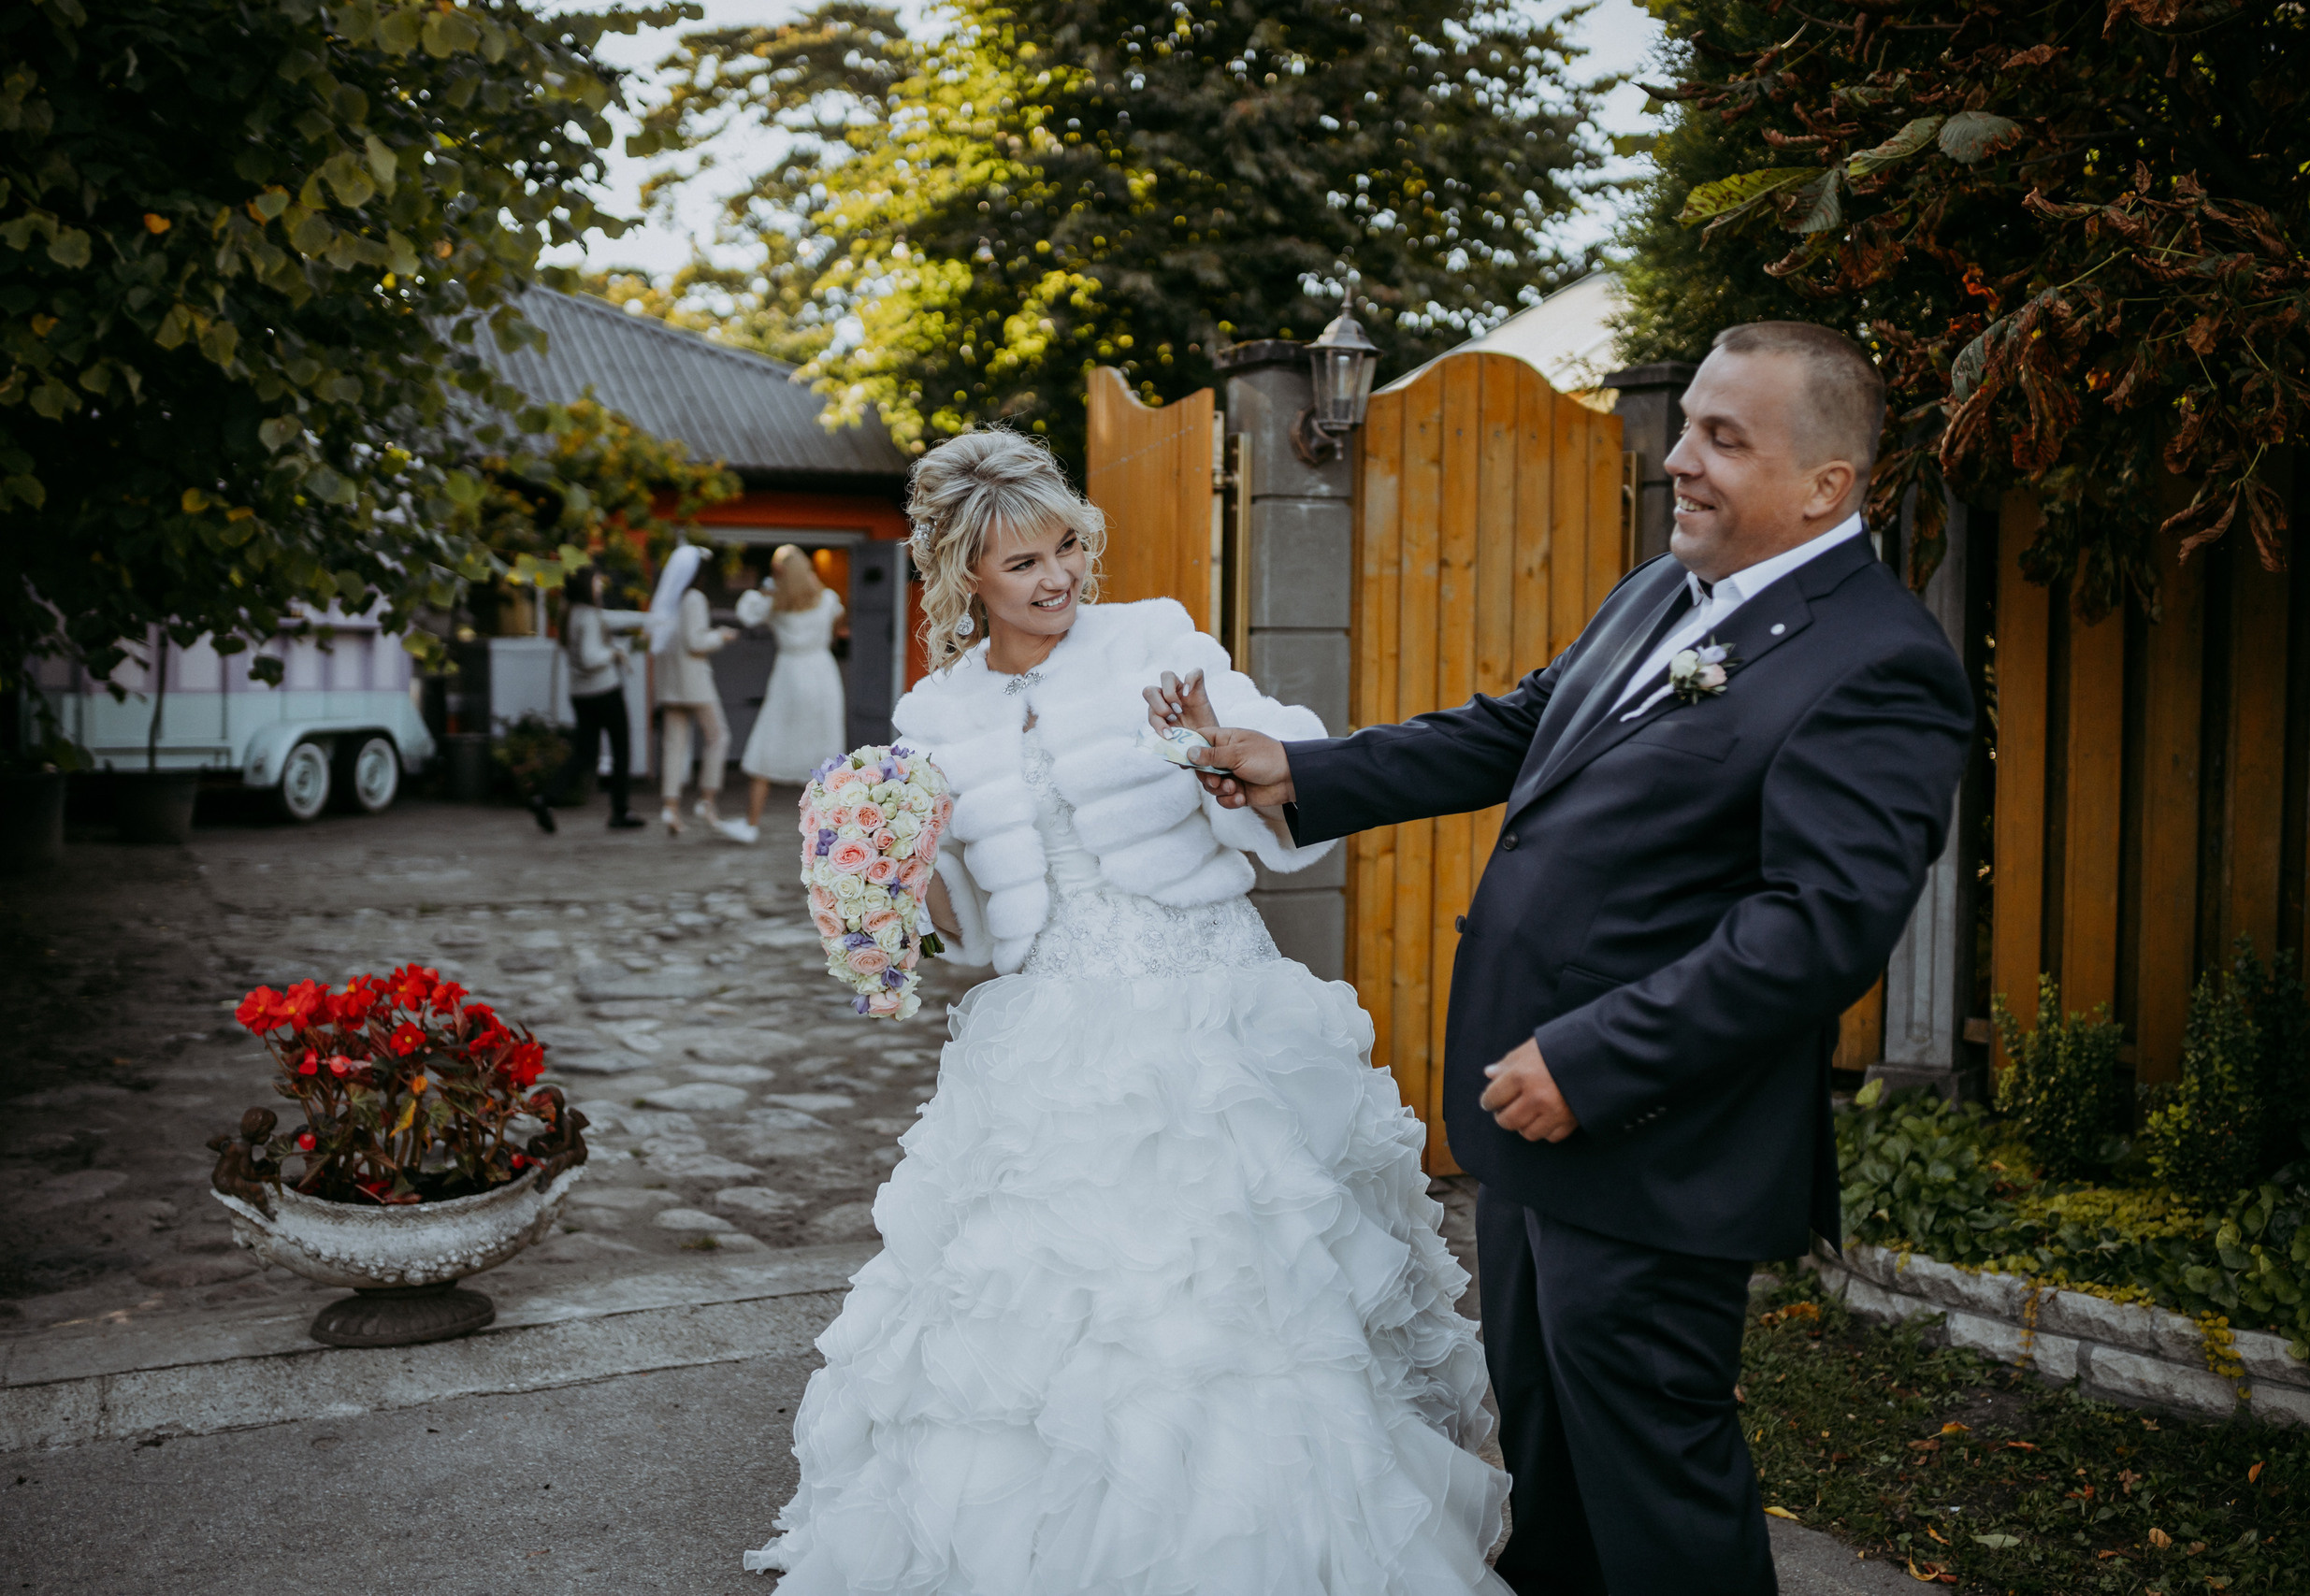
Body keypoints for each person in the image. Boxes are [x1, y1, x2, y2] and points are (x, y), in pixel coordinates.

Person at [1173, 322, 1976, 1595]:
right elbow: (1526, 723)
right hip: (1531, 1118)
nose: (1681, 460)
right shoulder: (1667, 589)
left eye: (1725, 437)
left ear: (1827, 484)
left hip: (1655, 1138)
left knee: (1657, 1475)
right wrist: (1306, 772)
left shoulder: (1881, 663)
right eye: (1687, 424)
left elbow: (1815, 923)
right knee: (1550, 1456)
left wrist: (1596, 1059)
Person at [745, 428, 1511, 1594]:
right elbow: (981, 935)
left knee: (1245, 1300)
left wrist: (1214, 750)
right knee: (1044, 1308)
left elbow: (1282, 799)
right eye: (1022, 565)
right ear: (965, 580)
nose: (1056, 579)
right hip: (1051, 1029)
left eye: (1064, 547)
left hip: (1212, 1012)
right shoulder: (936, 715)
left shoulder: (1156, 640)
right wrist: (899, 873)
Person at [720, 544, 846, 845]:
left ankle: (751, 823)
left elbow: (746, 613)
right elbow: (838, 618)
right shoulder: (827, 599)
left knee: (769, 740)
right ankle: (829, 831)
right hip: (823, 673)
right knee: (824, 751)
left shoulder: (773, 605)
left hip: (790, 674)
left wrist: (767, 588)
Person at [529, 567, 644, 833]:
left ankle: (546, 798)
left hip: (580, 694)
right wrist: (614, 653)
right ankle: (620, 811)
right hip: (605, 691)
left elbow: (615, 619)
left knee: (584, 753)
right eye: (596, 580)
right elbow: (592, 657)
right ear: (586, 584)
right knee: (621, 749)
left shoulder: (570, 613)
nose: (600, 585)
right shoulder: (589, 615)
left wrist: (651, 619)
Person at [647, 543, 740, 840]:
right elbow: (696, 642)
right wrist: (722, 636)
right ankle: (707, 800)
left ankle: (670, 807)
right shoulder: (694, 598)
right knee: (718, 736)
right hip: (694, 682)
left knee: (675, 743)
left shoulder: (668, 599)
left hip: (670, 682)